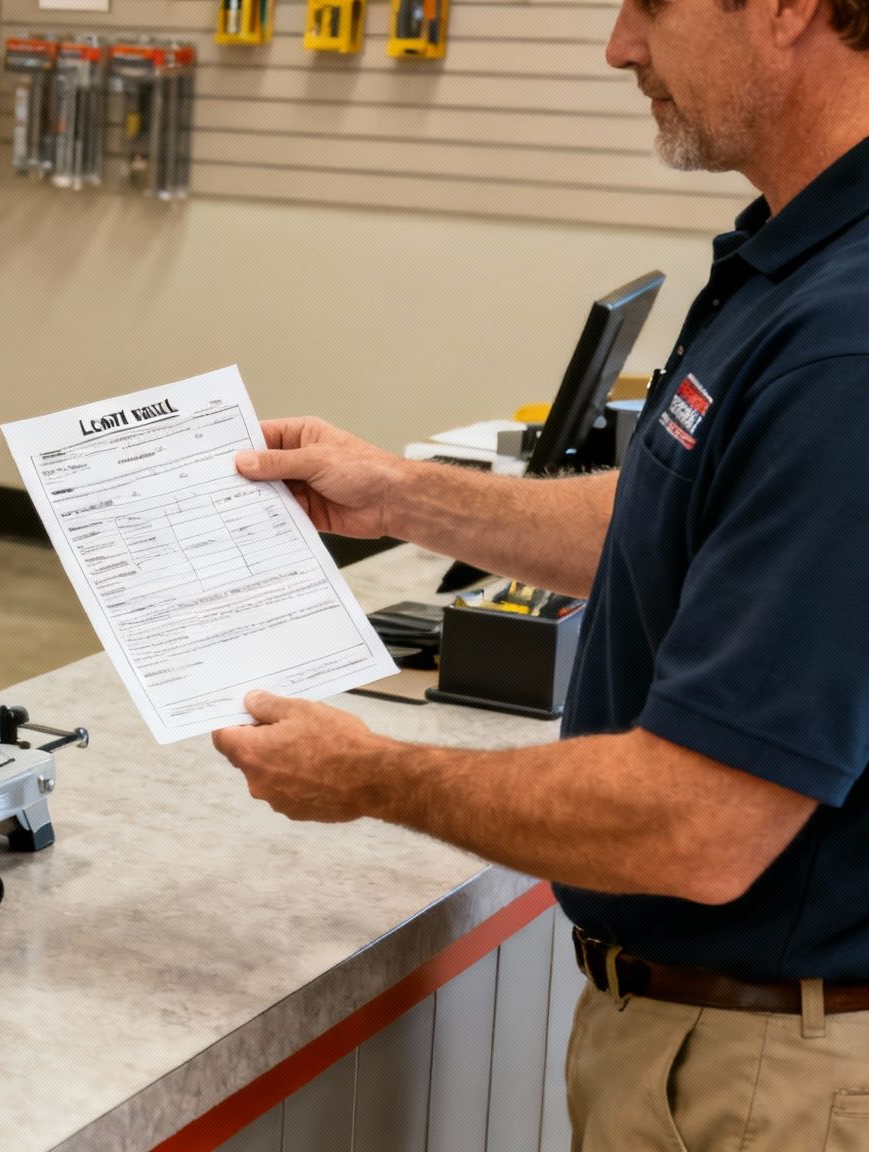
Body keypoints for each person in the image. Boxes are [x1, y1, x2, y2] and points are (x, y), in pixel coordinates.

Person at [207, 0, 869, 1144]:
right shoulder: (794, 256)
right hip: (723, 1040)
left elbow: (699, 825)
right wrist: (404, 494)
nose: (618, 45)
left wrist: (375, 776)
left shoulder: (843, 344)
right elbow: (674, 513)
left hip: (773, 1077)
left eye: (648, 4)